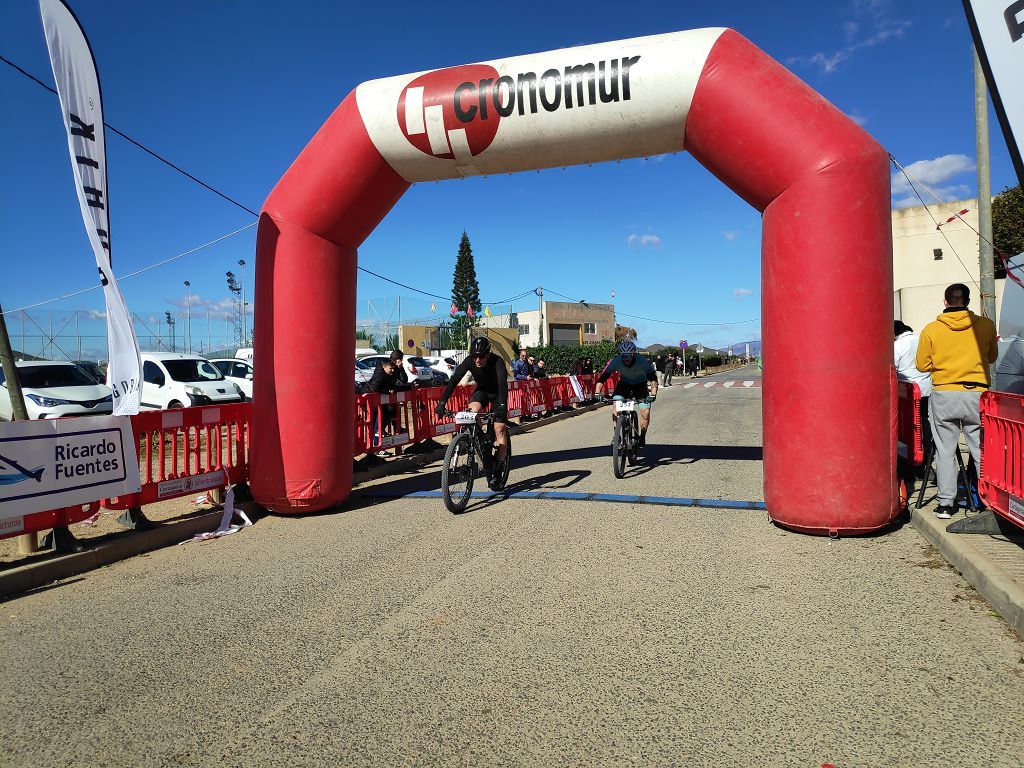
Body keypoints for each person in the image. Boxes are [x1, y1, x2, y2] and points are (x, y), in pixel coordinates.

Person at [915, 283, 998, 519]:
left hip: (944, 393)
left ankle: (945, 504)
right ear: (969, 301)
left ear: (945, 302)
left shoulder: (932, 329)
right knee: (981, 449)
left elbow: (922, 365)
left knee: (945, 450)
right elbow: (992, 357)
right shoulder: (985, 325)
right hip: (977, 394)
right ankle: (988, 501)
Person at [435, 336, 509, 486]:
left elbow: (502, 385)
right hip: (482, 391)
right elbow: (454, 380)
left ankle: (499, 466)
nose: (477, 360)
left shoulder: (497, 361)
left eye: (481, 356)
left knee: (499, 429)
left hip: (497, 394)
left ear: (488, 354)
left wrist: (501, 407)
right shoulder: (470, 360)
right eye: (475, 356)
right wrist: (442, 402)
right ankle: (480, 440)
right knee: (472, 412)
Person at [594, 340, 658, 448]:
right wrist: (597, 392)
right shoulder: (616, 361)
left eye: (628, 357)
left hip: (640, 385)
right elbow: (603, 378)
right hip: (624, 384)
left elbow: (653, 379)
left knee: (645, 412)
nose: (625, 359)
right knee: (615, 406)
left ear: (633, 355)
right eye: (623, 356)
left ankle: (642, 436)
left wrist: (653, 394)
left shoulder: (642, 361)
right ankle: (616, 436)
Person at [893, 320, 933, 460]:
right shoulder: (920, 340)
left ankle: (913, 454)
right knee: (923, 419)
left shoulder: (898, 345)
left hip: (906, 390)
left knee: (908, 424)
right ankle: (928, 451)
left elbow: (893, 367)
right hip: (925, 387)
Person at [366, 356, 410, 443]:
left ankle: (380, 434)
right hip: (371, 403)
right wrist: (387, 391)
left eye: (394, 368)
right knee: (376, 422)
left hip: (380, 403)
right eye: (391, 368)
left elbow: (400, 383)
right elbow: (374, 388)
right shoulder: (379, 375)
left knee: (389, 411)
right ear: (384, 367)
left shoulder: (389, 375)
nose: (393, 370)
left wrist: (408, 386)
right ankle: (375, 443)